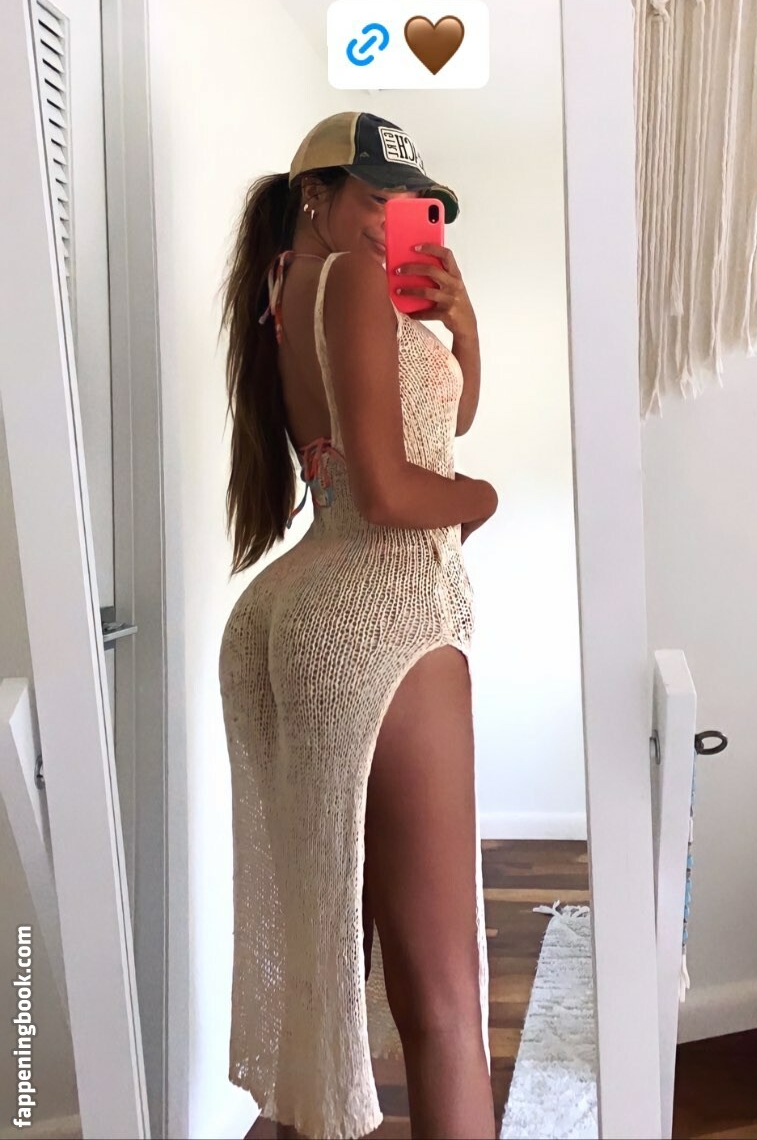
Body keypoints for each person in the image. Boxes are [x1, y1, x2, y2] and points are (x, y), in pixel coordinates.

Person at [218, 112, 498, 1140]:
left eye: (411, 206)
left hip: (308, 604)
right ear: (315, 195)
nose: (393, 223)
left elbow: (428, 427)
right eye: (377, 199)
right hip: (383, 616)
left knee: (333, 957)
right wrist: (484, 498)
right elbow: (389, 489)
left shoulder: (289, 290)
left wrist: (462, 332)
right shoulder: (345, 282)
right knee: (445, 997)